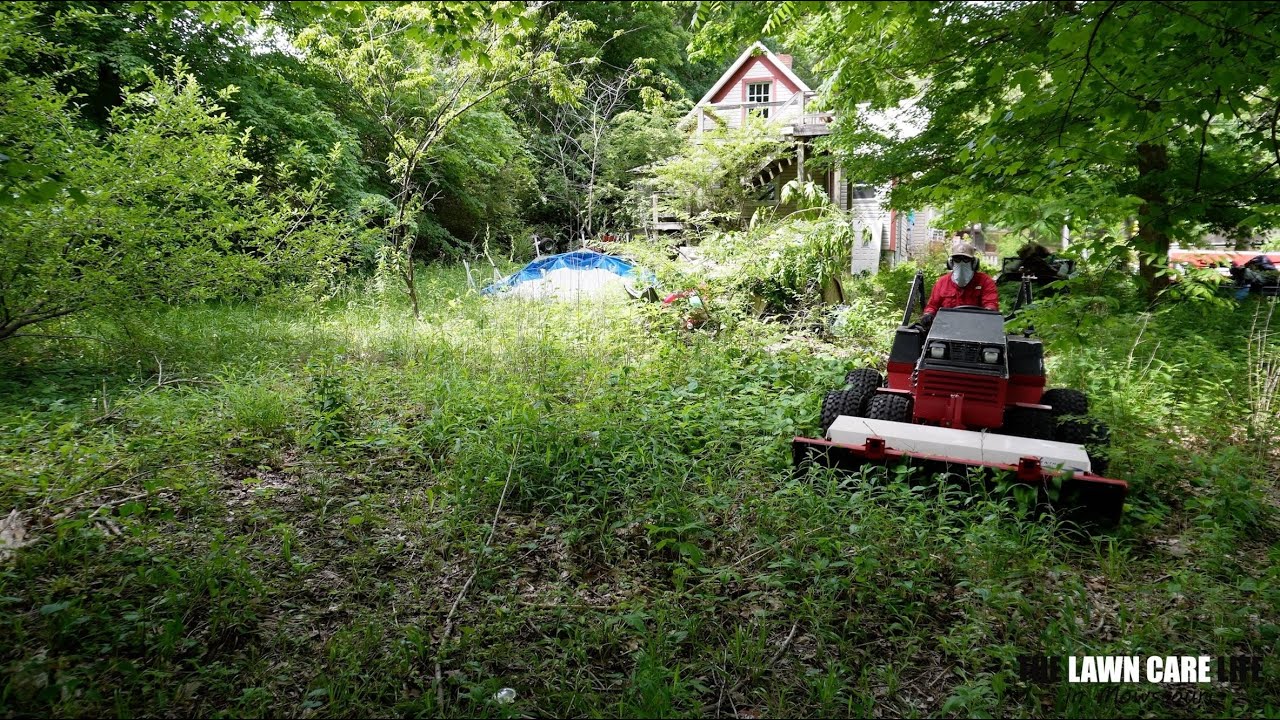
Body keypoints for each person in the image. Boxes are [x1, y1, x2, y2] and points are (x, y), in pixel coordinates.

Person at [912, 240, 999, 330]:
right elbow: (932, 305)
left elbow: (991, 304)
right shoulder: (942, 282)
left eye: (966, 259)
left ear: (974, 263)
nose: (961, 263)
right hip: (946, 329)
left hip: (977, 329)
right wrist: (928, 314)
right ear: (951, 263)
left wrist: (990, 311)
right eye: (957, 259)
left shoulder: (985, 281)